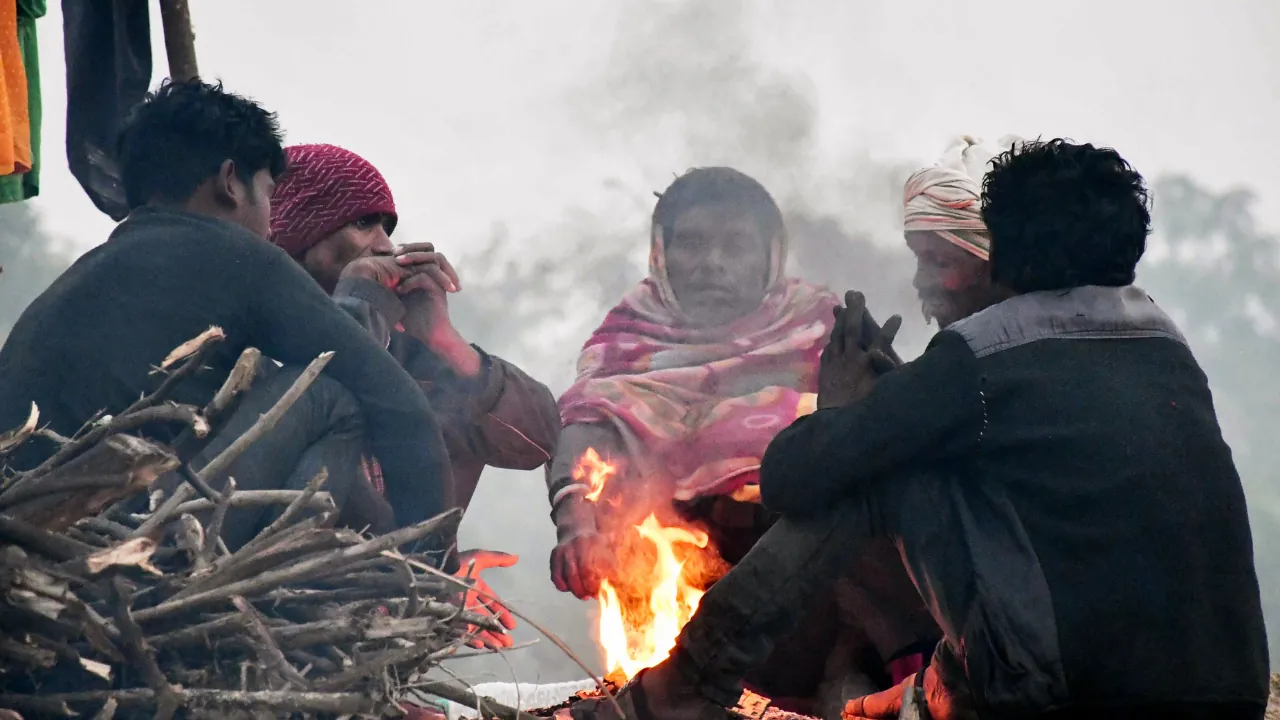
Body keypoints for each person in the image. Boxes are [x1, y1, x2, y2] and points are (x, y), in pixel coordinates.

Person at [576, 138, 1270, 720]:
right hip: (1230, 691)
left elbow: (794, 478)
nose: (923, 285)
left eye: (937, 262)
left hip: (1068, 696)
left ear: (1005, 253)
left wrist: (842, 407)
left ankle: (683, 691)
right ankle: (907, 691)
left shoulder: (987, 351)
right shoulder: (1161, 340)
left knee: (868, 479)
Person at [0, 80, 456, 559]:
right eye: (269, 192)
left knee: (266, 382)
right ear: (231, 180)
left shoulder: (85, 273)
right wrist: (435, 569)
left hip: (35, 543)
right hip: (131, 547)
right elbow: (399, 404)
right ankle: (294, 580)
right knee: (327, 394)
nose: (270, 222)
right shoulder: (238, 256)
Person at [547, 167, 939, 714]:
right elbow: (585, 427)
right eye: (692, 243)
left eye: (735, 245)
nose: (712, 262)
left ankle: (913, 693)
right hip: (679, 595)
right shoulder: (629, 335)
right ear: (661, 254)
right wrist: (577, 525)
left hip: (819, 602)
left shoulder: (827, 329)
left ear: (770, 256)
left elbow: (900, 448)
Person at [268, 142, 562, 647]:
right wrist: (431, 581)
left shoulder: (408, 356)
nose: (385, 247)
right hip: (286, 640)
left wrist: (446, 342)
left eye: (388, 227)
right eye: (363, 225)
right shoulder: (255, 345)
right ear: (300, 241)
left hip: (386, 649)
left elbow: (538, 442)